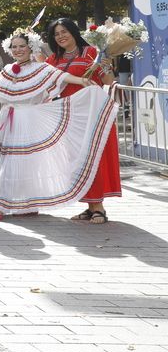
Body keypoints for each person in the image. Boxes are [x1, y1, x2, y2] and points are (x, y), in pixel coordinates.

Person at [0, 28, 114, 220]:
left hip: (29, 119)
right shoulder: (6, 70)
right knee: (7, 161)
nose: (18, 50)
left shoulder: (40, 68)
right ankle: (2, 204)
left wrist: (83, 81)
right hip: (9, 120)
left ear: (30, 47)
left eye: (22, 46)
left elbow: (61, 77)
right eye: (14, 47)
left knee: (28, 162)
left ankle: (25, 203)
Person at [45, 17, 121, 223]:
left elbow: (108, 81)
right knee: (77, 161)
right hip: (69, 117)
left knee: (93, 158)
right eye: (56, 34)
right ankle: (89, 206)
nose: (60, 36)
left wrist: (106, 67)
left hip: (92, 114)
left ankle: (98, 207)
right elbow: (46, 84)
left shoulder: (92, 53)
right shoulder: (53, 59)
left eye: (64, 32)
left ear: (73, 32)